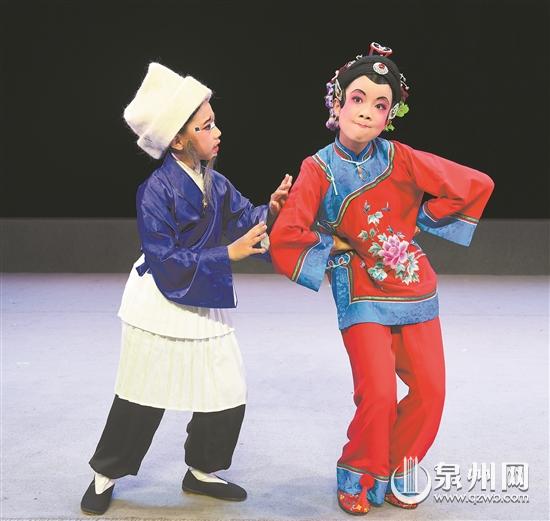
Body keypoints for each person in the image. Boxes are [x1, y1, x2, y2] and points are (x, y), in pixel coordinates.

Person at [269, 42, 494, 515]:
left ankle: (395, 469)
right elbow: (288, 233)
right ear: (336, 103)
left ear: (390, 116)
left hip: (414, 284)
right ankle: (358, 471)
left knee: (431, 392)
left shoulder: (400, 157)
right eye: (357, 98)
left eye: (380, 104)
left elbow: (475, 184)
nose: (366, 111)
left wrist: (420, 221)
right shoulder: (318, 168)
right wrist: (337, 245)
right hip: (360, 289)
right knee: (378, 394)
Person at [80, 62, 292, 515]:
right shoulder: (155, 190)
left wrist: (272, 211)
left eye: (214, 122)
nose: (218, 132)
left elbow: (244, 218)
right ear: (178, 140)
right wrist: (227, 255)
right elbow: (164, 259)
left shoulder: (214, 181)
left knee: (226, 390)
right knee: (142, 395)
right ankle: (105, 474)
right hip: (159, 299)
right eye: (206, 126)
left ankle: (202, 470)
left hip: (202, 291)